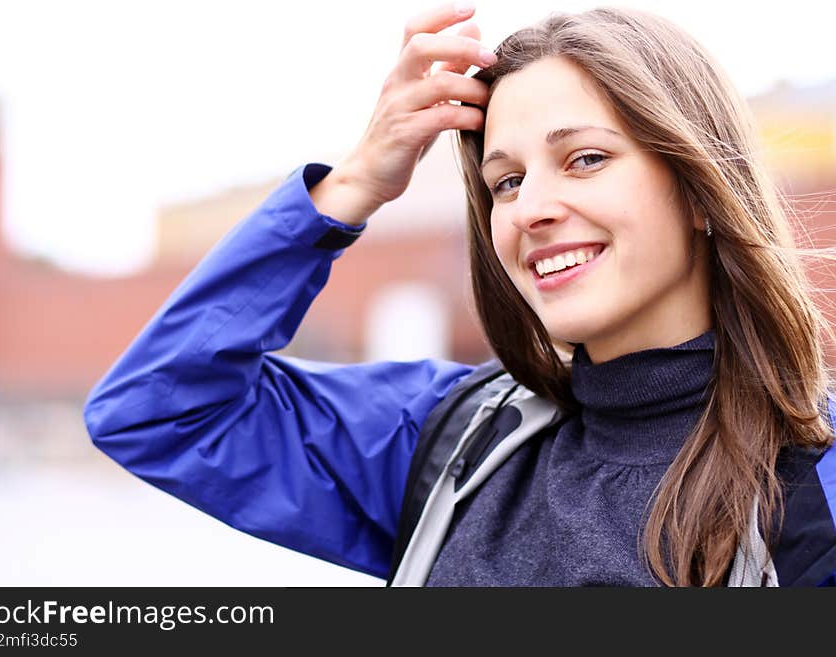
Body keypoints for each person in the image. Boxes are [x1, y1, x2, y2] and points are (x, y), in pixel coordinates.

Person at [83, 2, 836, 587]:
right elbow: (158, 410)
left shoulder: (816, 476)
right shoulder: (452, 443)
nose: (529, 209)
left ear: (701, 190)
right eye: (504, 180)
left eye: (585, 158)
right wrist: (350, 186)